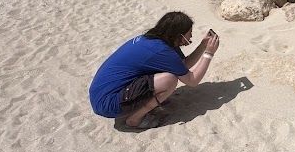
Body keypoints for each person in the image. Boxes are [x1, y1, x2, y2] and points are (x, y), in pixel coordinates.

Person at [89, 11, 220, 129]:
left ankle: (145, 103)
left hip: (102, 94)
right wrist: (209, 54)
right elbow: (192, 81)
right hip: (108, 103)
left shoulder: (156, 40)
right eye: (188, 35)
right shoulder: (162, 51)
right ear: (179, 35)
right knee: (169, 80)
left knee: (168, 76)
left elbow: (182, 66)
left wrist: (203, 46)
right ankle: (134, 120)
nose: (190, 38)